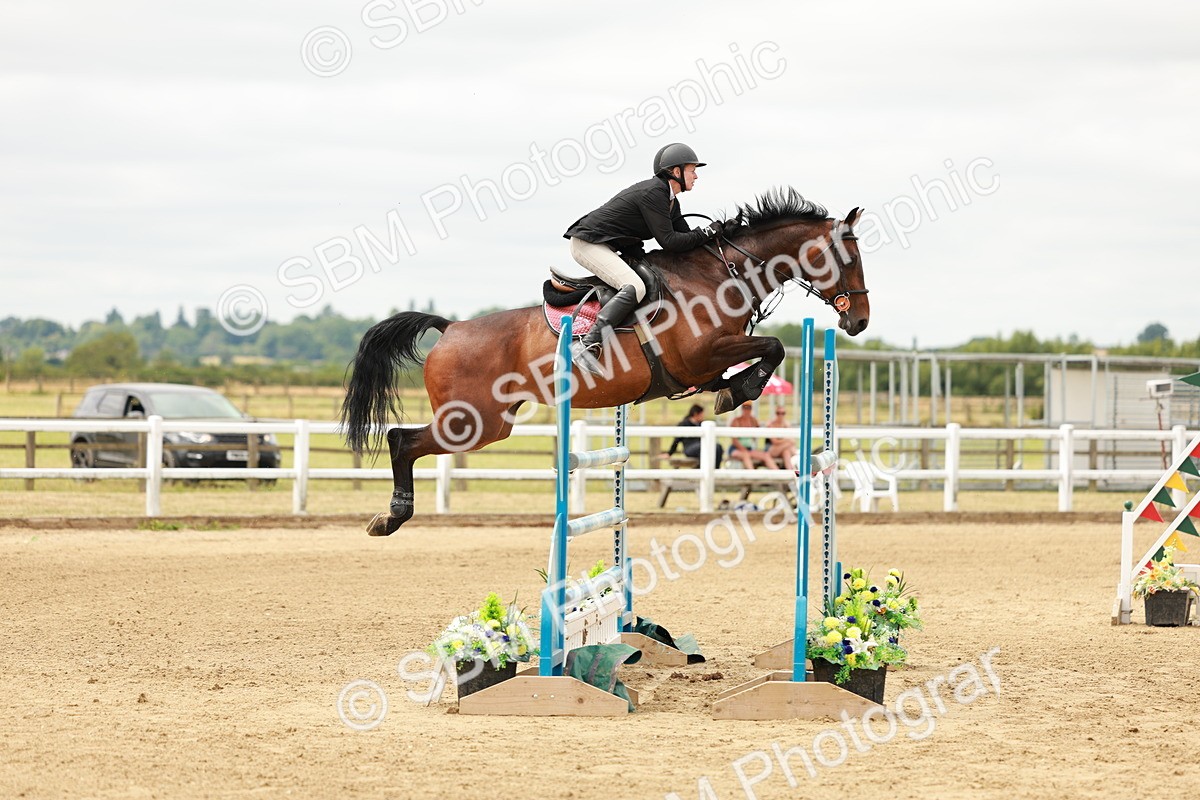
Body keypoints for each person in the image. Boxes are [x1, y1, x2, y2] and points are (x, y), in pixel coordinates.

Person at [562, 142, 723, 374]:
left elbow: (686, 240)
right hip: (589, 244)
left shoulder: (670, 201)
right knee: (634, 286)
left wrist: (721, 232)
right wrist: (708, 231)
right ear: (676, 172)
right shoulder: (654, 193)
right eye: (692, 169)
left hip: (611, 246)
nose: (696, 175)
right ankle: (587, 344)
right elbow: (669, 242)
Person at [729, 403, 776, 469]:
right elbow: (734, 441)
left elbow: (758, 432)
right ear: (742, 409)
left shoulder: (753, 420)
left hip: (749, 449)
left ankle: (779, 474)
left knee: (765, 455)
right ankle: (752, 475)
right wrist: (744, 450)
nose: (747, 410)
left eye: (749, 408)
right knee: (746, 455)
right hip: (736, 449)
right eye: (745, 407)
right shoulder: (736, 421)